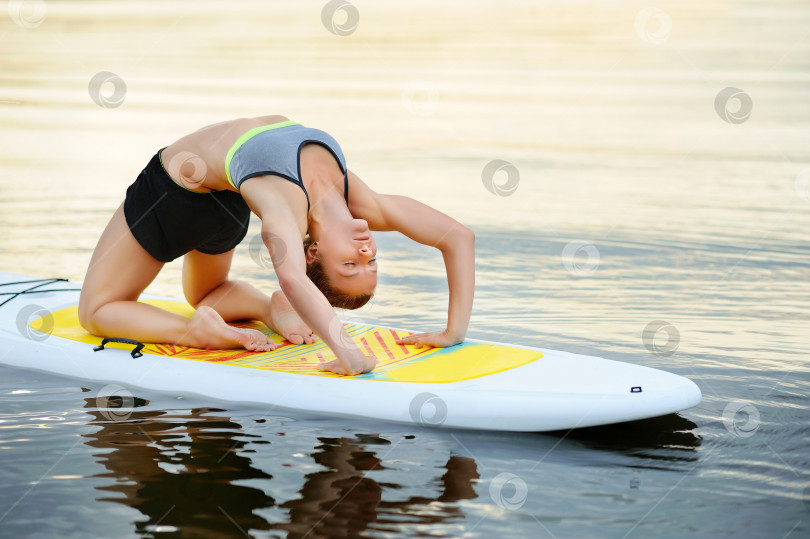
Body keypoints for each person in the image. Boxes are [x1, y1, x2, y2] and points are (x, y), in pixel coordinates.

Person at [78, 115, 475, 375]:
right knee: (206, 294)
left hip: (177, 193)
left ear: (313, 253)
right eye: (370, 265)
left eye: (351, 266)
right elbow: (458, 237)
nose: (366, 254)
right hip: (229, 199)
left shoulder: (285, 213)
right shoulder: (365, 202)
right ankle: (270, 309)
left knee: (97, 311)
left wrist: (348, 353)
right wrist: (453, 331)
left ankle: (194, 332)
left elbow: (291, 276)